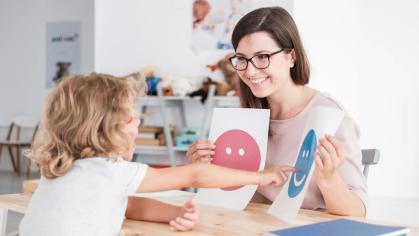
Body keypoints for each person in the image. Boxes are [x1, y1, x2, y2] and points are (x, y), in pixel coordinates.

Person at [19, 73, 295, 236]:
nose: (138, 124)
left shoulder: (60, 171)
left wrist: (173, 213)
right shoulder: (109, 171)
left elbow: (126, 205)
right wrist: (261, 176)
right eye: (131, 119)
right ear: (104, 130)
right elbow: (197, 174)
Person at [188, 6, 367, 217]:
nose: (250, 70)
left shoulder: (330, 117)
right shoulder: (247, 115)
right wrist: (204, 167)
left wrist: (328, 179)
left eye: (262, 56)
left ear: (291, 57)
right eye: (242, 59)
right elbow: (232, 195)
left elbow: (358, 212)